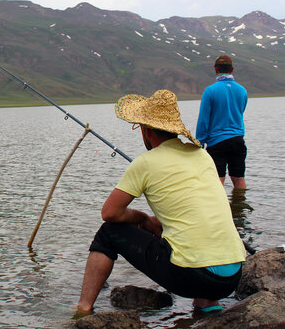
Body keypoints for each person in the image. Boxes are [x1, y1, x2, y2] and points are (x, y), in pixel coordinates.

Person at [76, 89, 246, 316]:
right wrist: (159, 224)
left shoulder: (145, 162)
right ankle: (207, 303)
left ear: (146, 131)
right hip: (232, 277)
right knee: (193, 232)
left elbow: (110, 213)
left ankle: (83, 309)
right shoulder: (202, 155)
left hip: (193, 277)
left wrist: (143, 219)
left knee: (108, 233)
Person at [196, 55, 248, 189]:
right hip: (238, 140)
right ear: (232, 69)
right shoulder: (242, 91)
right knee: (239, 178)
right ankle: (240, 207)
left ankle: (218, 209)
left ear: (216, 70)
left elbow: (203, 120)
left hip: (217, 143)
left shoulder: (210, 91)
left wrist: (199, 143)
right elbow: (240, 112)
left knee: (217, 180)